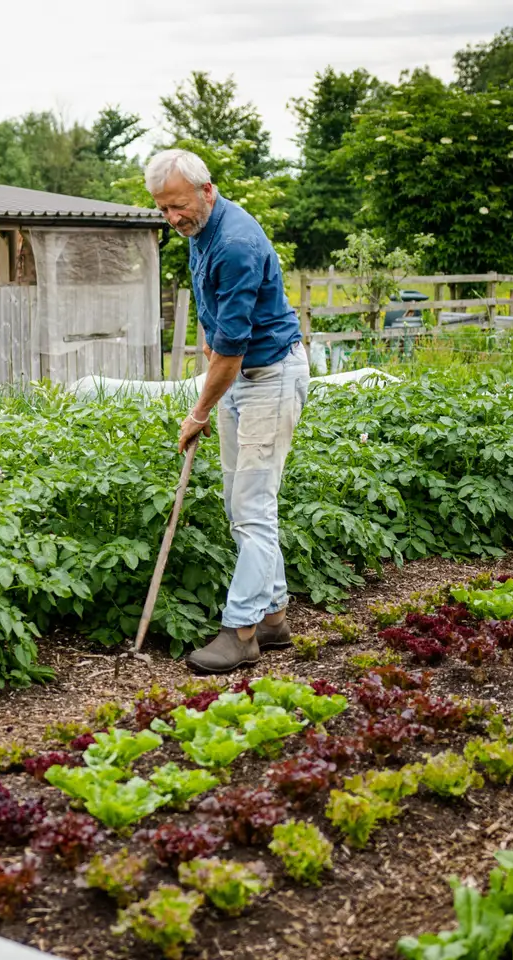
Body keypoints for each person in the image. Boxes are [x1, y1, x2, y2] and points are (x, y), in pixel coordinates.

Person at [145, 148, 309, 674]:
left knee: (252, 509)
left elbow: (233, 351)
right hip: (239, 377)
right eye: (163, 209)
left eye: (178, 206)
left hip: (268, 377)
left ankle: (241, 632)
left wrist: (197, 413)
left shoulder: (235, 243)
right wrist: (213, 376)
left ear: (206, 190)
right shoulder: (200, 232)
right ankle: (274, 617)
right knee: (242, 505)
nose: (173, 218)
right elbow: (215, 322)